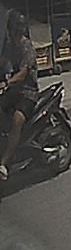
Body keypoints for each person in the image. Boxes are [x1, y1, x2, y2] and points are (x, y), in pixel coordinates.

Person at [0, 10, 38, 181]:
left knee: (17, 120)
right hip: (13, 92)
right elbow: (2, 61)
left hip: (28, 93)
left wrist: (7, 83)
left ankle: (4, 164)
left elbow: (23, 73)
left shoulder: (27, 47)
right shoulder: (10, 46)